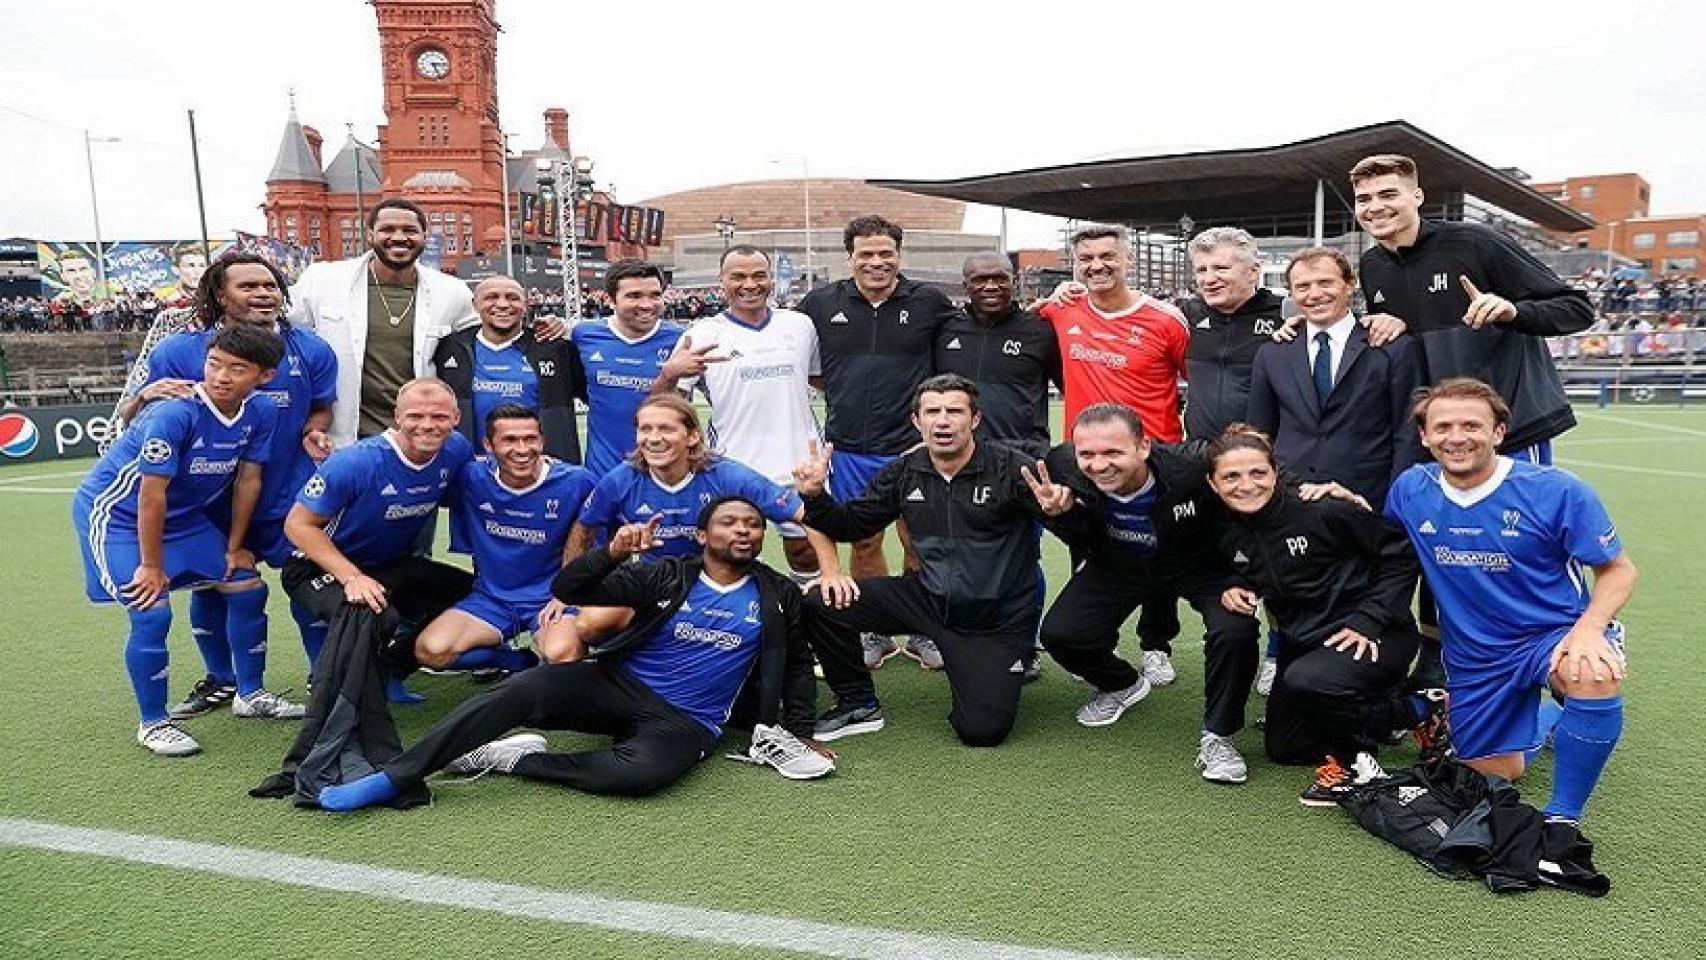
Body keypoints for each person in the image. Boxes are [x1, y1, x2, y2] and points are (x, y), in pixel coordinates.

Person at [315, 496, 833, 812]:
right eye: (729, 523)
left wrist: (800, 730)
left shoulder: (776, 592)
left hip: (688, 720)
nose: (743, 531)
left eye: (751, 524)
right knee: (521, 688)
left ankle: (519, 760)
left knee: (639, 778)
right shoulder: (668, 574)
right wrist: (611, 553)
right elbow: (571, 585)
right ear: (703, 535)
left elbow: (794, 664)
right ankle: (395, 777)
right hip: (618, 687)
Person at [1351, 153, 1595, 688]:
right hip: (1442, 438)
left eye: (1388, 194)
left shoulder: (1474, 243)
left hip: (1513, 430)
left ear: (1417, 196)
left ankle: (1563, 662)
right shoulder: (1374, 267)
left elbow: (1577, 307)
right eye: (1365, 199)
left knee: (1525, 550)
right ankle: (1442, 665)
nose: (1376, 207)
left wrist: (1511, 309)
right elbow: (1414, 338)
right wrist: (1392, 323)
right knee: (1445, 547)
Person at [1386, 379, 1635, 825]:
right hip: (1476, 655)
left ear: (1499, 432)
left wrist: (1590, 629)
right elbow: (1381, 548)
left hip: (1554, 634)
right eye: (1442, 426)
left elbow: (1618, 569)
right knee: (1493, 775)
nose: (1456, 437)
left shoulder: (1557, 490)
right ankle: (1548, 720)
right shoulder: (1410, 489)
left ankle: (1563, 816)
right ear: (1424, 436)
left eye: (1471, 425)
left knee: (1591, 674)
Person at [794, 374, 1073, 747]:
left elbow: (1077, 529)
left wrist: (1063, 511)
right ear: (917, 421)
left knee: (981, 731)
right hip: (926, 599)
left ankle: (989, 668)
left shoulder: (1011, 468)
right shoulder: (904, 471)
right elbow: (850, 524)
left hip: (994, 620)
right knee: (821, 602)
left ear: (974, 420)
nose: (943, 420)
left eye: (954, 411)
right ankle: (857, 703)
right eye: (933, 412)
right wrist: (814, 496)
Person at [117, 253, 339, 719]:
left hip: (287, 492)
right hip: (214, 498)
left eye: (271, 285)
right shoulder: (177, 351)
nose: (263, 293)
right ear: (220, 294)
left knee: (308, 580)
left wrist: (313, 432)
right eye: (248, 286)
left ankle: (325, 675)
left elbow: (321, 407)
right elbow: (133, 419)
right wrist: (142, 397)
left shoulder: (312, 349)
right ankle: (223, 679)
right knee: (215, 584)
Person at [72, 325, 299, 757]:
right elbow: (149, 496)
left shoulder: (263, 411)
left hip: (185, 518)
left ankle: (250, 695)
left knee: (247, 585)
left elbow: (249, 481)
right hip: (117, 514)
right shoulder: (173, 413)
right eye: (214, 364)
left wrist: (234, 546)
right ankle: (154, 723)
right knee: (151, 609)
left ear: (264, 376)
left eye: (237, 368)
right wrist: (152, 566)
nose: (221, 376)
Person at [1205, 426, 1444, 805]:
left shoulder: (1322, 507)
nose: (1246, 485)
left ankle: (1371, 748)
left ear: (1275, 473)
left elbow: (1401, 554)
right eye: (1231, 476)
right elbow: (1231, 563)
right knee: (1285, 748)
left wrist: (1370, 617)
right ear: (1213, 483)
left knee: (1306, 680)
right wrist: (1231, 583)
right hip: (1307, 643)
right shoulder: (1224, 528)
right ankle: (1406, 710)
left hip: (1375, 635)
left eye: (1257, 473)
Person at [1036, 404, 1262, 783]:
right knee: (1061, 633)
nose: (1098, 464)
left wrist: (1243, 575)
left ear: (1144, 447)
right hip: (1119, 564)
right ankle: (1121, 684)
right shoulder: (1060, 467)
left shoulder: (1192, 464)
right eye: (1087, 454)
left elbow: (1259, 476)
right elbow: (1002, 458)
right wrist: (1060, 514)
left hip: (1198, 565)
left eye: (1113, 452)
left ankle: (1219, 735)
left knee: (1235, 629)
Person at [795, 216, 959, 667]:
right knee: (864, 543)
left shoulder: (928, 302)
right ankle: (875, 630)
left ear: (899, 255)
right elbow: (811, 370)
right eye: (866, 254)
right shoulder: (820, 303)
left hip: (913, 448)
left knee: (917, 540)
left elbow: (976, 332)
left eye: (886, 253)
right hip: (848, 449)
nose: (876, 262)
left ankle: (924, 629)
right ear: (849, 257)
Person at [1037, 226, 1191, 685]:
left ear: (1128, 260)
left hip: (1154, 459)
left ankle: (1156, 643)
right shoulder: (1061, 310)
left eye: (1107, 256)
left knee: (1158, 553)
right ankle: (1094, 640)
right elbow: (1026, 321)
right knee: (1089, 546)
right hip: (1084, 460)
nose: (1096, 266)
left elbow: (1201, 377)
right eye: (1086, 258)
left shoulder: (1166, 320)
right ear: (1075, 263)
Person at [281, 377, 476, 680]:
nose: (427, 425)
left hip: (387, 565)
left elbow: (472, 495)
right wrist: (352, 578)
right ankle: (334, 691)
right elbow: (297, 524)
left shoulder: (456, 450)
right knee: (374, 615)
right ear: (397, 417)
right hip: (318, 569)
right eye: (415, 416)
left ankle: (392, 667)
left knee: (476, 595)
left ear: (456, 418)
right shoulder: (356, 462)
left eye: (439, 416)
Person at [651, 245, 824, 583]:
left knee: (805, 549)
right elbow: (666, 408)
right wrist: (669, 375)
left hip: (799, 463)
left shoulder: (800, 325)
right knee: (731, 553)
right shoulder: (701, 333)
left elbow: (820, 378)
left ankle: (806, 624)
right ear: (722, 281)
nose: (750, 284)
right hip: (732, 467)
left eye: (759, 275)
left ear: (771, 280)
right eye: (738, 276)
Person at [567, 394, 845, 577]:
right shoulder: (620, 480)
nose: (653, 438)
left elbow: (806, 516)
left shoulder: (729, 476)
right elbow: (584, 526)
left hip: (725, 577)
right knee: (594, 624)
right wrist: (566, 591)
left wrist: (832, 574)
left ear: (691, 436)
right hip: (657, 581)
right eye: (645, 429)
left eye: (665, 429)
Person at [414, 403, 596, 671]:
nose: (522, 449)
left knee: (562, 654)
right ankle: (516, 662)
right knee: (431, 651)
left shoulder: (577, 481)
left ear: (542, 441)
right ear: (488, 445)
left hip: (551, 599)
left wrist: (570, 593)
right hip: (492, 600)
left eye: (530, 439)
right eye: (510, 440)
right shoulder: (470, 478)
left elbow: (598, 535)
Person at [286, 197, 478, 448]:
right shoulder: (323, 279)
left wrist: (545, 330)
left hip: (416, 439)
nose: (399, 237)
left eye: (409, 230)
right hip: (341, 438)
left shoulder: (452, 291)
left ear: (424, 236)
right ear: (369, 235)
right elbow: (282, 329)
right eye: (388, 229)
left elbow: (486, 340)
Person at [1246, 247, 1424, 509]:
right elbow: (1260, 432)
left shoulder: (1392, 347)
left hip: (1368, 497)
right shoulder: (1272, 353)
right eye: (1303, 286)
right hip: (1292, 496)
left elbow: (1408, 433)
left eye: (1325, 283)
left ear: (1350, 285)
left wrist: (1397, 502)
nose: (1315, 294)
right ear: (1292, 294)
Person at [434, 275, 584, 464]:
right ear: (475, 304)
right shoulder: (451, 348)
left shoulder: (555, 349)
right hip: (471, 470)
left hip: (539, 471)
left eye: (512, 298)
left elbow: (595, 396)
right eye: (492, 297)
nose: (503, 304)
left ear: (526, 304)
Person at [934, 252, 1061, 459]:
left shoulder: (1041, 331)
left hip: (1023, 453)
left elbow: (1071, 387)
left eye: (1000, 279)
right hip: (959, 454)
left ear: (1014, 282)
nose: (991, 286)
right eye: (980, 280)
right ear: (965, 286)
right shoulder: (944, 329)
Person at [571, 259, 685, 479]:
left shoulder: (680, 339)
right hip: (602, 475)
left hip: (661, 474)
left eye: (655, 295)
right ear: (610, 300)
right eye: (634, 296)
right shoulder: (584, 335)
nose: (647, 304)